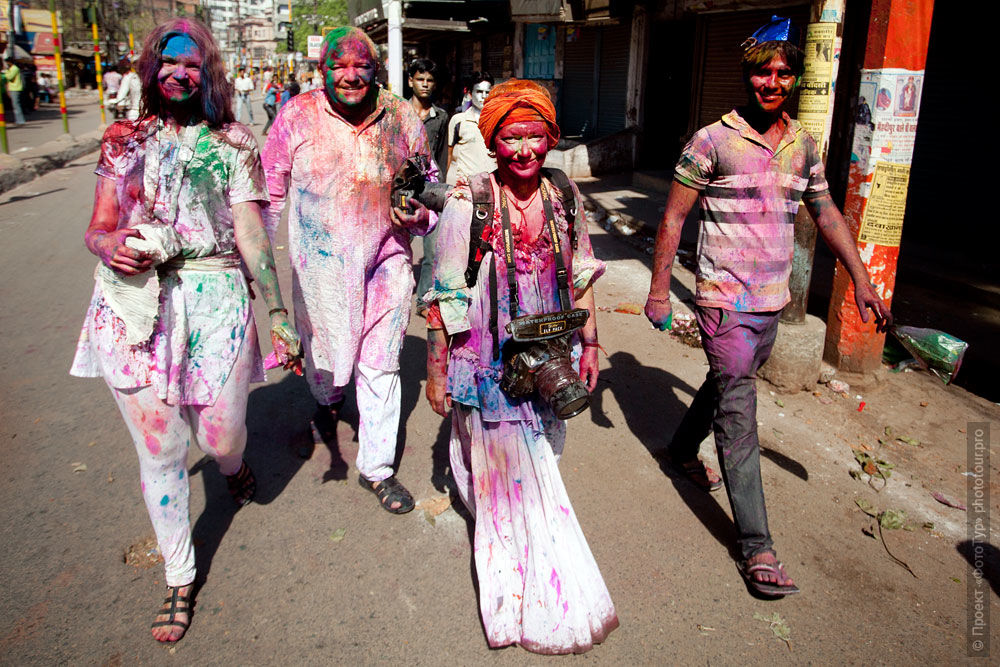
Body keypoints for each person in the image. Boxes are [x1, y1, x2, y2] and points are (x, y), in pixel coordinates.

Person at [69, 17, 301, 642]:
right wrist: (109, 244)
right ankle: (178, 574)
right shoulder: (123, 139)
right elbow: (99, 225)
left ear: (209, 73)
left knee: (223, 434)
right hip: (136, 307)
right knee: (161, 449)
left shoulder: (233, 142)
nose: (178, 73)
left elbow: (251, 232)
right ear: (150, 70)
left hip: (217, 299)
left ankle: (231, 468)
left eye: (192, 64)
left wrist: (277, 311)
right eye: (167, 63)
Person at [644, 16, 893, 597]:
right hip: (723, 300)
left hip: (771, 302)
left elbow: (827, 213)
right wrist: (659, 290)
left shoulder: (804, 144)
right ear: (748, 76)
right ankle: (757, 545)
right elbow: (674, 218)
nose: (772, 81)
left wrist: (861, 279)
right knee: (739, 414)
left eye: (783, 72)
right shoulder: (711, 141)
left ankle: (681, 449)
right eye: (763, 71)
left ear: (795, 81)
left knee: (727, 383)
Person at [424, 79, 618, 653]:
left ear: (552, 137)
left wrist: (589, 345)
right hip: (486, 351)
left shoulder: (562, 194)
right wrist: (438, 371)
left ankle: (522, 534)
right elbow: (446, 291)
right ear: (493, 139)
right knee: (505, 471)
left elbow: (581, 274)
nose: (526, 151)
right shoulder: (469, 199)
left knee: (546, 450)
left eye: (537, 137)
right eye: (512, 138)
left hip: (551, 347)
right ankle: (513, 586)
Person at [261, 27, 434, 514]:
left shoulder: (402, 117)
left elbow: (429, 188)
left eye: (362, 66)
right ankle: (326, 407)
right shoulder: (296, 116)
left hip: (387, 263)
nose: (351, 76)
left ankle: (377, 470)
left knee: (380, 364)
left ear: (375, 70)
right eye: (340, 66)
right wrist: (255, 271)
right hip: (319, 274)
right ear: (323, 70)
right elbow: (267, 199)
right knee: (325, 357)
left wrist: (419, 214)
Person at [407, 57, 449, 317]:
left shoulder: (441, 116)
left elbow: (443, 154)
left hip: (430, 190)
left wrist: (443, 188)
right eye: (420, 79)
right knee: (397, 247)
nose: (425, 84)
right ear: (411, 80)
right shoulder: (397, 112)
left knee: (432, 250)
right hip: (401, 191)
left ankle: (423, 300)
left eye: (429, 80)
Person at [445, 71, 495, 185]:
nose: (484, 96)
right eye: (479, 91)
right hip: (465, 185)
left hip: (492, 184)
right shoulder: (458, 120)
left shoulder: (497, 121)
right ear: (470, 94)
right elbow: (449, 155)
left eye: (487, 92)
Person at [2, 58, 26, 125]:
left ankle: (20, 120)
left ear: (10, 62)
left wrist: (6, 71)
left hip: (15, 88)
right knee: (15, 105)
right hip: (13, 88)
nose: (6, 64)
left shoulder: (14, 68)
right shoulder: (12, 69)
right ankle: (18, 120)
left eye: (7, 62)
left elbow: (9, 77)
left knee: (16, 105)